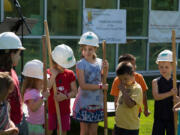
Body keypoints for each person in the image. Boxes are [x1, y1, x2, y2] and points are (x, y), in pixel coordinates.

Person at [73, 31, 109, 135]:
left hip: (97, 102)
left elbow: (103, 78)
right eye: (84, 49)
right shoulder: (81, 64)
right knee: (84, 131)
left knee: (93, 131)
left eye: (90, 49)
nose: (87, 52)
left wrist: (106, 69)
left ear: (95, 49)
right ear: (81, 49)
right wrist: (101, 86)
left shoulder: (100, 62)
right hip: (84, 103)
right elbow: (83, 85)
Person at [0, 32, 28, 135]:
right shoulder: (2, 78)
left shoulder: (12, 71)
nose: (20, 57)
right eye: (19, 53)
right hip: (8, 128)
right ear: (11, 54)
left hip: (18, 121)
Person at [47, 44, 77, 135]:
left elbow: (75, 92)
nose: (65, 67)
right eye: (63, 64)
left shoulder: (70, 74)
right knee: (49, 130)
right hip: (51, 109)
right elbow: (47, 87)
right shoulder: (49, 72)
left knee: (62, 131)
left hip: (64, 110)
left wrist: (66, 96)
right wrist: (53, 76)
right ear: (55, 61)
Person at [152, 50, 177, 135]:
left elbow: (179, 102)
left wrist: (177, 99)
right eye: (161, 67)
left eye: (166, 67)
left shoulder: (176, 83)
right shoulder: (155, 82)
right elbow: (156, 96)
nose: (163, 69)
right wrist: (170, 93)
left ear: (173, 67)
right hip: (159, 117)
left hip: (172, 117)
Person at [22, 60, 50, 135]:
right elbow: (33, 108)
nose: (43, 83)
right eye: (41, 81)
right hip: (34, 126)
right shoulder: (30, 93)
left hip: (39, 125)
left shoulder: (36, 92)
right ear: (35, 80)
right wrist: (43, 98)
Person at [114, 62, 143, 135]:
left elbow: (130, 104)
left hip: (130, 128)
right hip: (119, 126)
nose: (123, 82)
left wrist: (123, 91)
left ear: (133, 74)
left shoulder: (137, 88)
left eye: (125, 79)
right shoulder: (124, 87)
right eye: (120, 80)